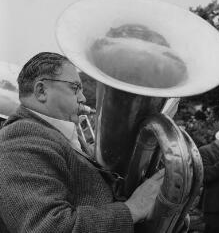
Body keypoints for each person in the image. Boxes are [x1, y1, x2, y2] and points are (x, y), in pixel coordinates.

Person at [0, 52, 166, 233]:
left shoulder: (55, 134)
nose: (83, 98)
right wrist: (132, 209)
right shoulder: (20, 137)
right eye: (75, 88)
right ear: (41, 90)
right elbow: (48, 227)